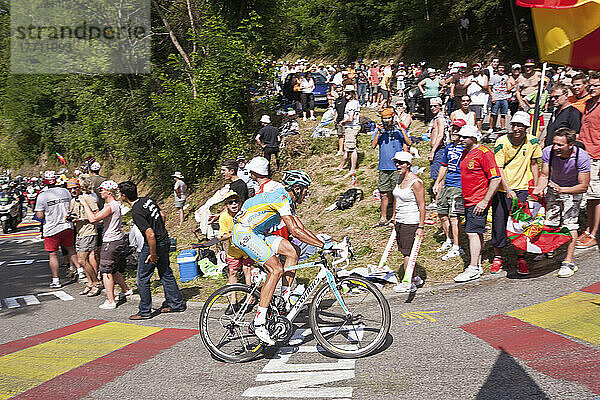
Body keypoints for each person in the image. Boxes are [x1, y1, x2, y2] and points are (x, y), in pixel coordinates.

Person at [231, 170, 331, 345]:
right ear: (297, 188)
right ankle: (259, 322)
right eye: (305, 189)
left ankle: (285, 299)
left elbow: (302, 228)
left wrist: (325, 243)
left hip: (258, 233)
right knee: (276, 269)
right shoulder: (281, 198)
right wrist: (323, 246)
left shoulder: (287, 201)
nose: (307, 193)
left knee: (293, 252)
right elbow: (295, 231)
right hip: (244, 233)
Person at [119, 181, 186, 319]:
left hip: (152, 245)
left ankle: (145, 311)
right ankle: (176, 304)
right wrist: (160, 230)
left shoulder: (136, 211)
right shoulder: (147, 200)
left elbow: (150, 234)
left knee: (142, 278)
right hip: (164, 240)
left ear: (124, 196)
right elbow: (163, 215)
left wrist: (152, 253)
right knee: (165, 272)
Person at [532, 128, 590, 277]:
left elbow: (583, 186)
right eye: (554, 143)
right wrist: (539, 189)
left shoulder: (581, 157)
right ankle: (548, 250)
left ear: (570, 145)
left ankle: (569, 261)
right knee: (550, 222)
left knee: (569, 224)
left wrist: (563, 190)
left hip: (573, 191)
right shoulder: (549, 151)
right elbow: (544, 174)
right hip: (554, 188)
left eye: (560, 145)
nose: (555, 147)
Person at [490, 111, 541, 275]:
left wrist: (537, 185)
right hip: (503, 189)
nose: (517, 128)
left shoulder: (532, 141)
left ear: (526, 127)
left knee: (520, 223)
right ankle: (498, 256)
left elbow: (534, 163)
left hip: (522, 188)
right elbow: (499, 168)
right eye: (514, 125)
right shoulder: (501, 141)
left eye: (520, 125)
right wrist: (507, 189)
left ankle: (521, 257)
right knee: (499, 222)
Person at [454, 126, 501, 282]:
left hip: (478, 200)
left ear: (473, 138)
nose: (460, 139)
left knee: (472, 233)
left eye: (464, 137)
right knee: (475, 232)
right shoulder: (465, 152)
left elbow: (495, 178)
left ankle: (473, 267)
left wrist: (485, 200)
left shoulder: (484, 153)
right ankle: (477, 265)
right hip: (468, 199)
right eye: (460, 136)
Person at [81, 180, 131, 309]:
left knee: (105, 271)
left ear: (109, 192)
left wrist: (85, 204)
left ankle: (110, 301)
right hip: (116, 239)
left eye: (102, 190)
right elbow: (99, 218)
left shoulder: (110, 206)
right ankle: (126, 289)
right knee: (113, 269)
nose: (100, 192)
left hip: (111, 241)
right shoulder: (112, 204)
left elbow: (93, 219)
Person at [35, 171, 80, 288]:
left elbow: (39, 215)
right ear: (55, 180)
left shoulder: (42, 195)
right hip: (67, 225)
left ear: (45, 181)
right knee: (71, 249)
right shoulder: (65, 191)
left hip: (51, 228)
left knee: (53, 254)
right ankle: (80, 271)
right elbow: (71, 205)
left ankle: (56, 280)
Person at [390, 151, 426, 293]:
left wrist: (421, 226)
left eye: (401, 162)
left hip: (411, 221)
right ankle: (415, 276)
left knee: (407, 253)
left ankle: (408, 282)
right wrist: (393, 218)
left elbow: (422, 204)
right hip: (400, 220)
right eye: (396, 162)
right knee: (405, 251)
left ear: (409, 164)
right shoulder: (399, 178)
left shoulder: (416, 182)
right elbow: (396, 200)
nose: (398, 165)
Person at [433, 119, 466, 261]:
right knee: (442, 213)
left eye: (458, 129)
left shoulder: (466, 148)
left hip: (459, 186)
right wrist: (438, 182)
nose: (454, 131)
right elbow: (444, 165)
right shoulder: (449, 147)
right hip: (447, 184)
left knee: (455, 217)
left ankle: (458, 247)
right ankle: (449, 240)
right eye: (453, 128)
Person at [371, 108, 410, 227]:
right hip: (383, 166)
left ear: (393, 118)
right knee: (383, 193)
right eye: (385, 118)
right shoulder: (380, 130)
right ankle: (383, 217)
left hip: (396, 167)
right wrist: (378, 131)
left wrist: (401, 130)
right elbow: (373, 145)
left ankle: (394, 217)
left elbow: (409, 143)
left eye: (389, 118)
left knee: (395, 193)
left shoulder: (398, 130)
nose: (387, 121)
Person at [218, 192, 254, 311]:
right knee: (233, 273)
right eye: (230, 202)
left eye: (236, 202)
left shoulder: (245, 213)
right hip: (233, 250)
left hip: (246, 247)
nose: (234, 204)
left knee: (247, 270)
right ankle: (234, 301)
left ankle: (249, 298)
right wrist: (234, 234)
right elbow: (221, 236)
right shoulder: (223, 217)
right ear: (226, 205)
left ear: (240, 203)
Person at [576, 71, 600, 249]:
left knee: (596, 197)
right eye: (590, 85)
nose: (591, 88)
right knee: (590, 198)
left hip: (597, 156)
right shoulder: (589, 104)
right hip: (586, 155)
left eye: (596, 85)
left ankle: (593, 233)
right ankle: (588, 229)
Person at [67, 178, 102, 297]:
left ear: (79, 188)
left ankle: (96, 283)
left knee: (82, 260)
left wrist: (81, 219)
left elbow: (97, 216)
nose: (73, 190)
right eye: (70, 189)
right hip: (79, 232)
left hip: (89, 232)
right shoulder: (73, 201)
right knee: (83, 261)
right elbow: (74, 215)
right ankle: (90, 283)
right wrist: (70, 217)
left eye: (75, 188)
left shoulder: (87, 198)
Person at [540, 83, 581, 148]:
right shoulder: (555, 112)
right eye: (551, 97)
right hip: (550, 151)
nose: (553, 99)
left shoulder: (573, 113)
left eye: (556, 97)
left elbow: (576, 136)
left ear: (566, 95)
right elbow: (551, 132)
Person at [427, 97, 451, 209]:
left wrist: (432, 151)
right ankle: (439, 200)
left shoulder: (439, 119)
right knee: (437, 176)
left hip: (439, 149)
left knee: (438, 177)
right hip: (438, 149)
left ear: (440, 106)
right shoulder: (439, 117)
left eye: (435, 106)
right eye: (431, 106)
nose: (432, 108)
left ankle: (438, 201)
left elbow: (440, 135)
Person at [337, 85, 361, 177]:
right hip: (352, 127)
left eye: (348, 93)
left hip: (351, 127)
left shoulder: (351, 104)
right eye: (345, 92)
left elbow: (350, 118)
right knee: (348, 148)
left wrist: (343, 121)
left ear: (352, 94)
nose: (346, 94)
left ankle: (352, 169)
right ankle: (342, 166)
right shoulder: (355, 102)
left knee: (352, 149)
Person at [466, 63, 489, 131]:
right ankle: (471, 131)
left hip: (479, 100)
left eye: (477, 69)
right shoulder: (469, 77)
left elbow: (486, 87)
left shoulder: (484, 77)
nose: (476, 70)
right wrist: (468, 83)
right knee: (470, 117)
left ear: (480, 69)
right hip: (470, 100)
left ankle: (478, 132)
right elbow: (463, 87)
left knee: (479, 117)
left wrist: (478, 83)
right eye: (474, 69)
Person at [488, 64, 510, 131]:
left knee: (503, 114)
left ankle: (502, 128)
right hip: (496, 97)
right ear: (497, 69)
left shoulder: (506, 77)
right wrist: (492, 97)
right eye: (500, 68)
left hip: (504, 97)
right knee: (493, 113)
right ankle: (491, 127)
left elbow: (508, 85)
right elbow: (489, 88)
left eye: (502, 68)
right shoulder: (493, 77)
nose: (501, 69)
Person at [333, 84, 347, 156]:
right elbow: (336, 111)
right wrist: (335, 118)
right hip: (339, 120)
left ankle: (347, 149)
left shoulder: (346, 99)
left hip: (346, 120)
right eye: (337, 91)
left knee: (346, 135)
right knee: (340, 135)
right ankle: (340, 150)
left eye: (340, 91)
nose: (339, 92)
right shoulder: (336, 100)